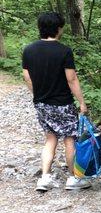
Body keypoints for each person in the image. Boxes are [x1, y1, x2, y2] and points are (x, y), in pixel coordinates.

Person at [22, 12, 91, 191]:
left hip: (41, 103)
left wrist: (38, 94)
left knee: (50, 139)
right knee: (69, 139)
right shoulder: (64, 50)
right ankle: (74, 179)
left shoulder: (28, 50)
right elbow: (72, 79)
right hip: (63, 103)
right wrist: (82, 102)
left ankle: (44, 178)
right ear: (58, 28)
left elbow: (27, 78)